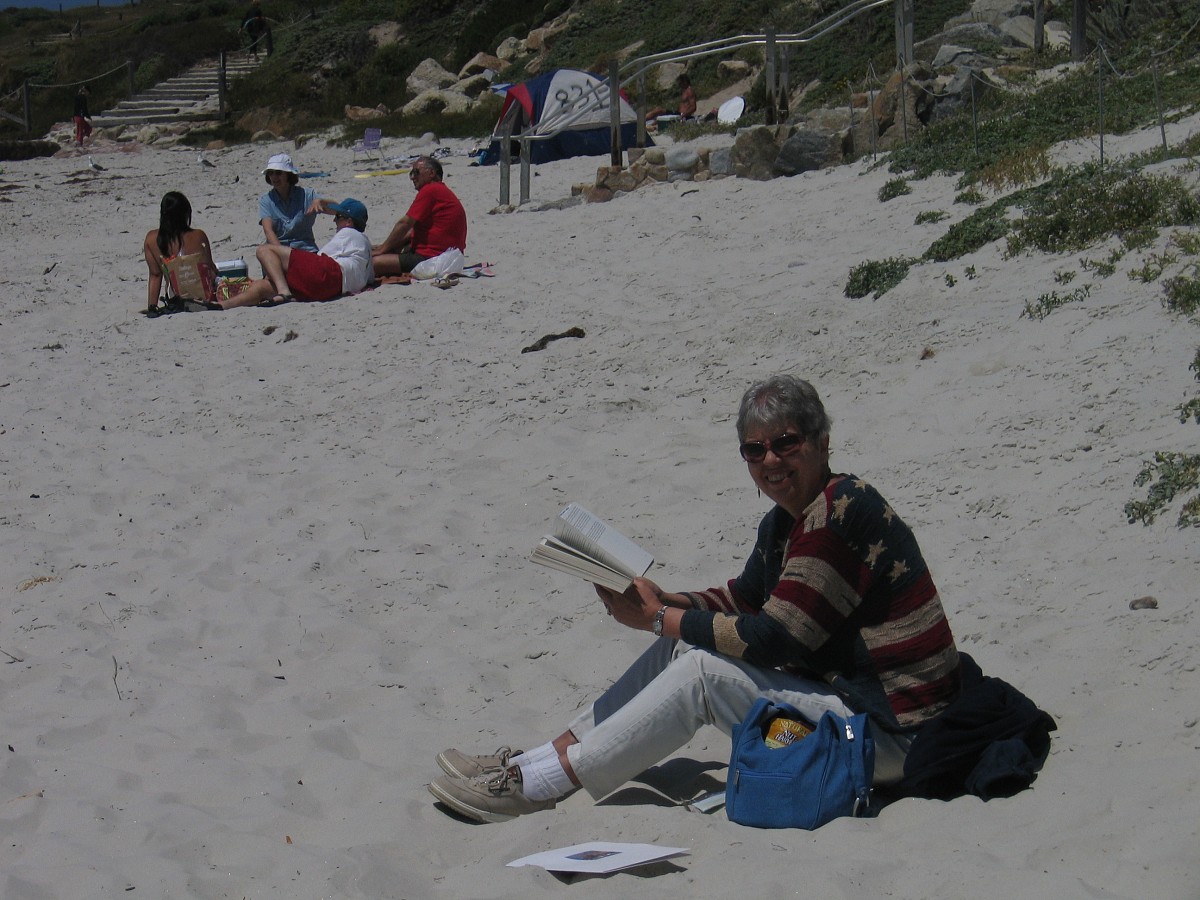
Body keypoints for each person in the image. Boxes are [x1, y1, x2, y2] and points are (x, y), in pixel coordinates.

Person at [429, 375, 1054, 823]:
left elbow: (777, 636)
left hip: (897, 734)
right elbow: (746, 598)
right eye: (755, 450)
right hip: (866, 710)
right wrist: (664, 601)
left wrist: (661, 620)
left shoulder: (840, 512)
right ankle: (539, 758)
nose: (771, 461)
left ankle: (537, 786)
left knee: (698, 669)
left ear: (821, 441)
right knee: (682, 649)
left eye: (786, 443)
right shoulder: (790, 520)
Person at [219, 197, 373, 309]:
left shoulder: (349, 233)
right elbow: (370, 276)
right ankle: (222, 306)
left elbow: (320, 257)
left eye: (338, 217)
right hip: (332, 289)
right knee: (263, 286)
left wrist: (281, 268)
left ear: (349, 222)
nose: (334, 221)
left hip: (331, 275)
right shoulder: (365, 247)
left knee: (264, 250)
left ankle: (284, 292)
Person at [372, 156, 467, 276]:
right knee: (390, 247)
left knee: (373, 263)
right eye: (411, 173)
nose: (412, 177)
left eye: (416, 172)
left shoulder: (430, 190)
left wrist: (382, 249)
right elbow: (411, 231)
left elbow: (404, 224)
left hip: (431, 258)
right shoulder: (441, 191)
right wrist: (387, 246)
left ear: (431, 173)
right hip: (447, 256)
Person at [142, 191, 217, 316]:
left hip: (174, 297)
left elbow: (155, 275)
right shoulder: (199, 235)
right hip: (203, 295)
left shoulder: (151, 239)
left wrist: (152, 307)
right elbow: (210, 269)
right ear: (185, 214)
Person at [259, 152, 326, 252]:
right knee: (262, 251)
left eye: (278, 173)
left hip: (305, 249)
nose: (274, 177)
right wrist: (284, 254)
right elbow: (268, 231)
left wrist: (321, 201)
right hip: (280, 251)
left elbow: (337, 210)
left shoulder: (307, 195)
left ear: (288, 175)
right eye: (271, 173)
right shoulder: (266, 200)